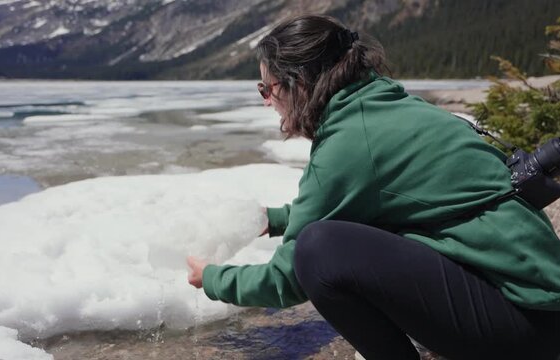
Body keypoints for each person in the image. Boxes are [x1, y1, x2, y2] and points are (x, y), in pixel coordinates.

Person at [186, 14, 560, 360]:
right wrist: (280, 219)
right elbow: (378, 199)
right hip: (537, 303)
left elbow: (286, 280)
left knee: (318, 251)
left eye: (266, 89)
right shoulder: (385, 105)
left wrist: (212, 278)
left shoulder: (351, 142)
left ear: (297, 85)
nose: (267, 102)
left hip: (528, 326)